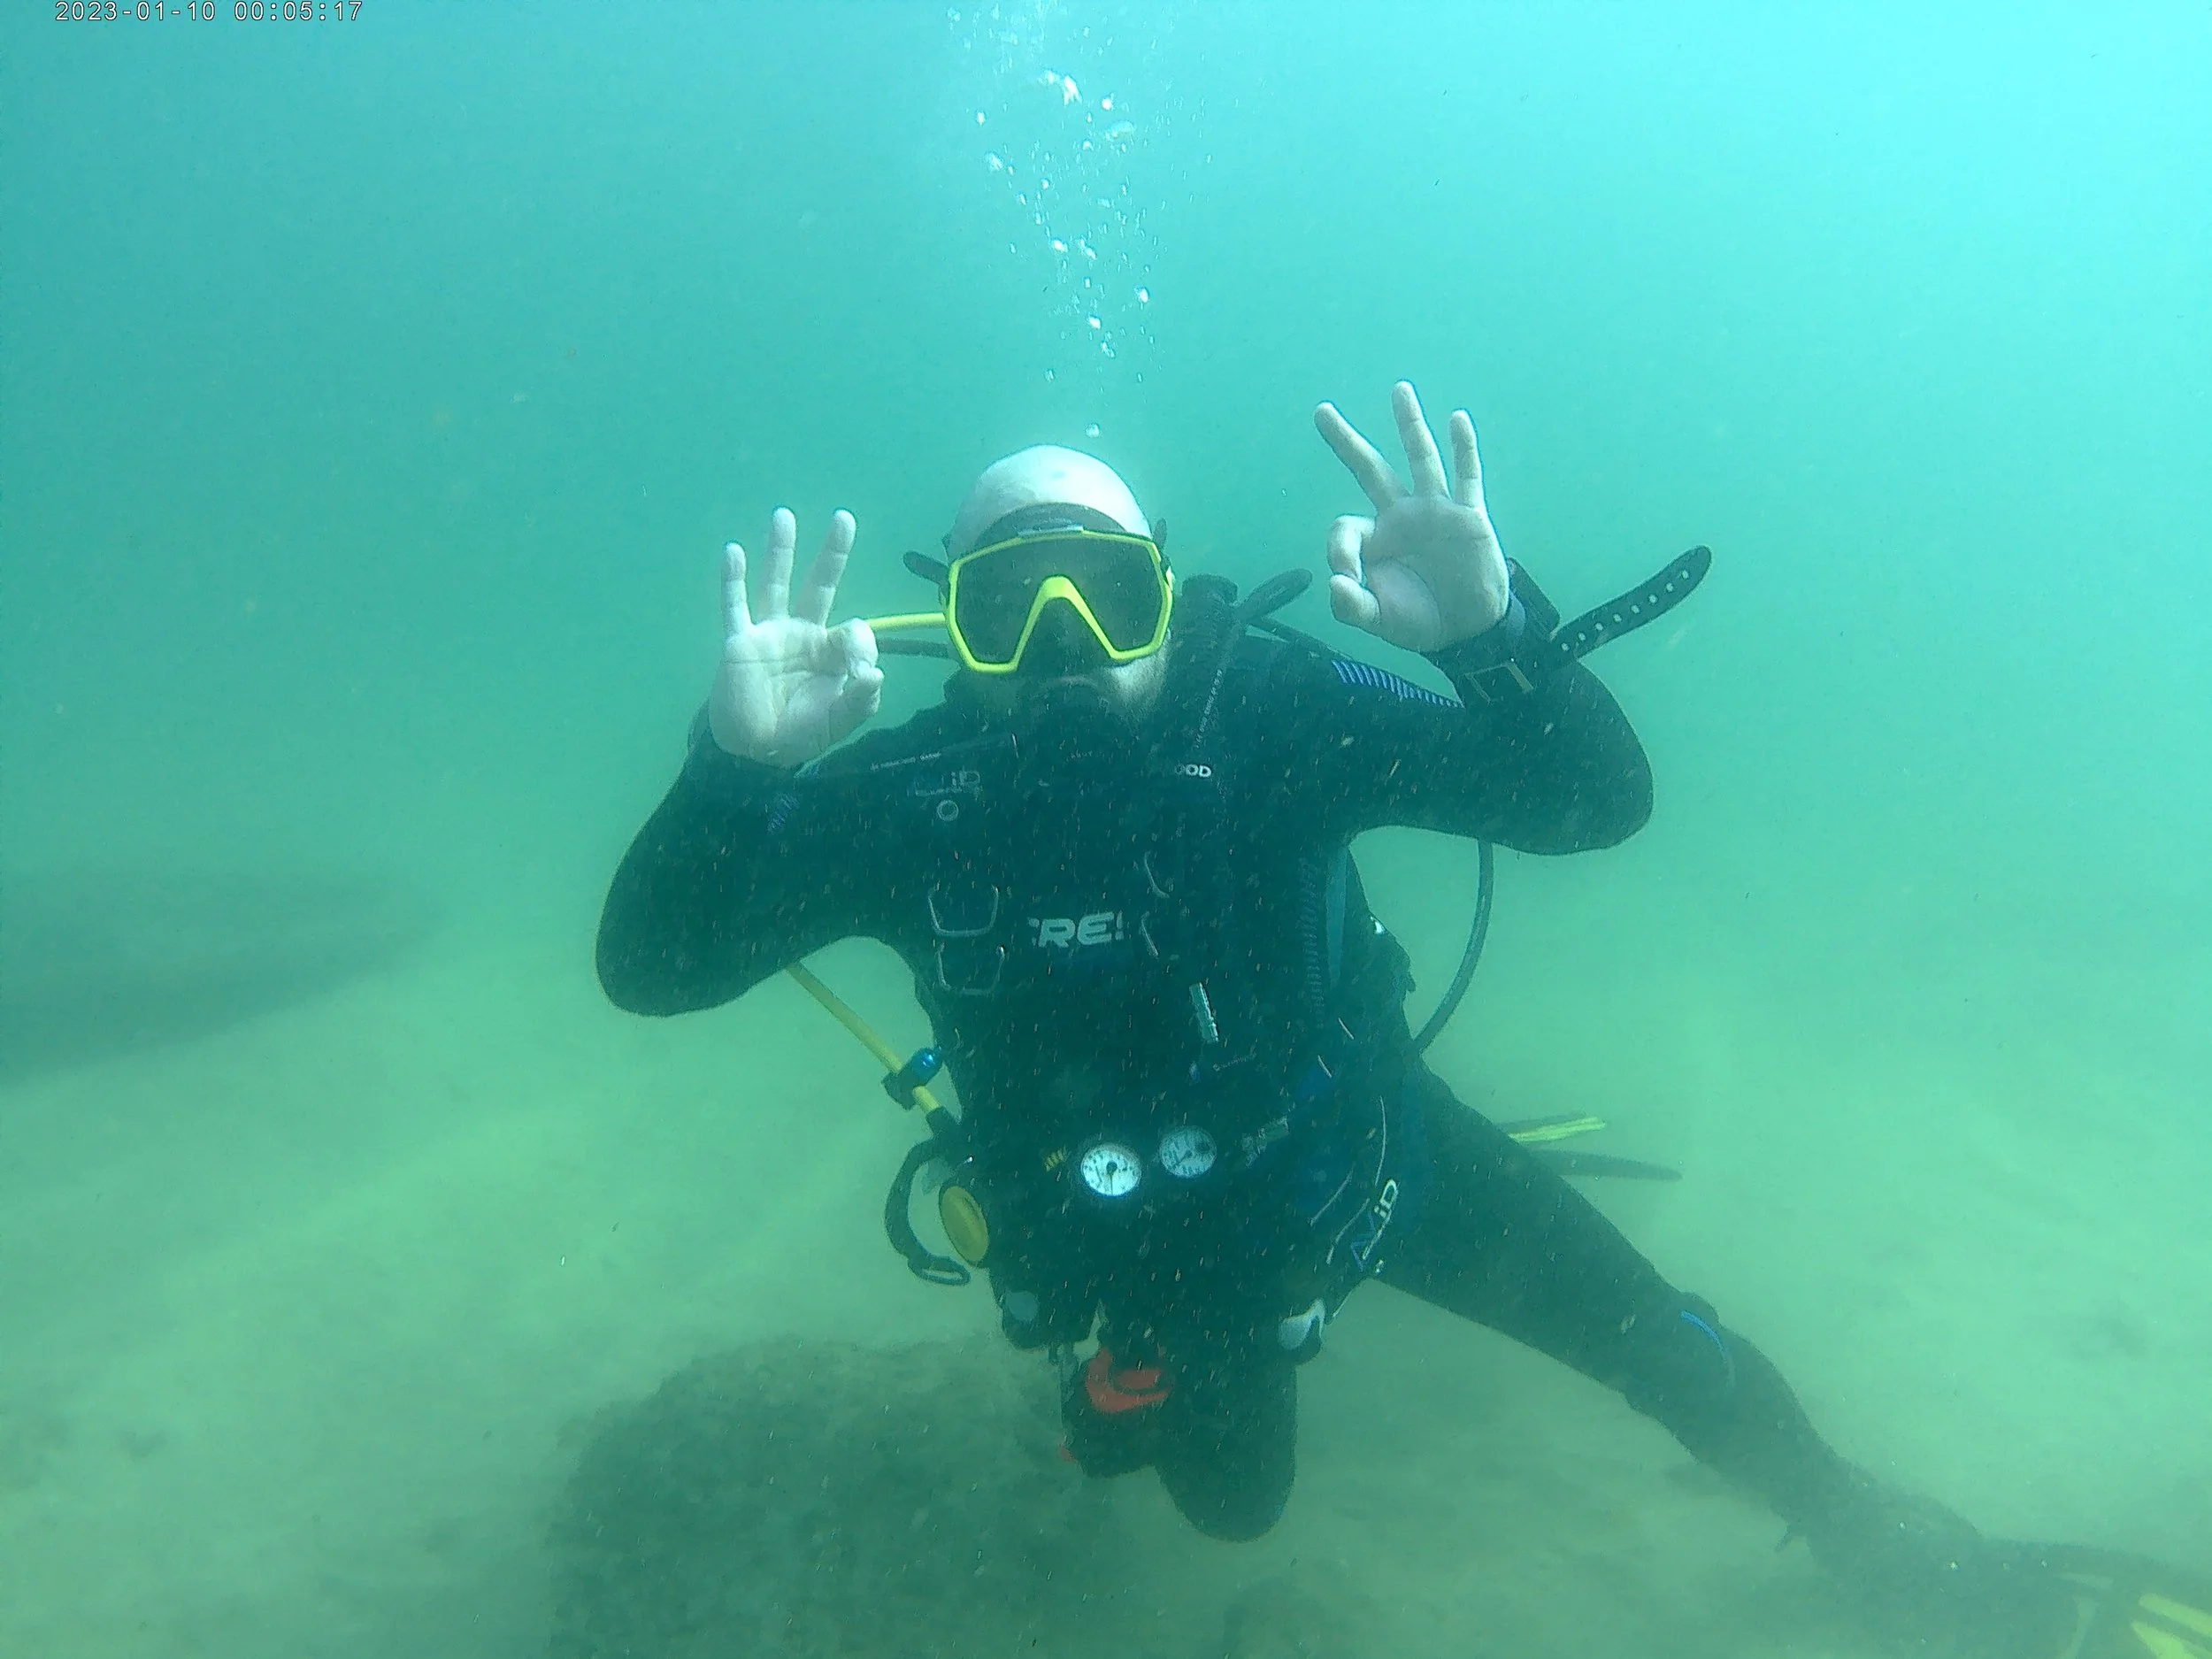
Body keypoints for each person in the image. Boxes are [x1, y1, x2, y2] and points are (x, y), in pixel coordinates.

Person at [595, 381, 2205, 1658]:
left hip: (1364, 1156)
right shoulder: (908, 794)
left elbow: (1590, 802)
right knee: (1234, 1510)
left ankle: (1904, 1557)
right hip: (1114, 1244)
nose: (1070, 647)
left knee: (1665, 1344)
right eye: (1018, 609)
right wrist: (730, 772)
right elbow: (652, 968)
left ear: (1168, 588)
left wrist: (1497, 640)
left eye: (1112, 595)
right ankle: (1138, 1389)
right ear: (955, 626)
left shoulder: (1269, 707)